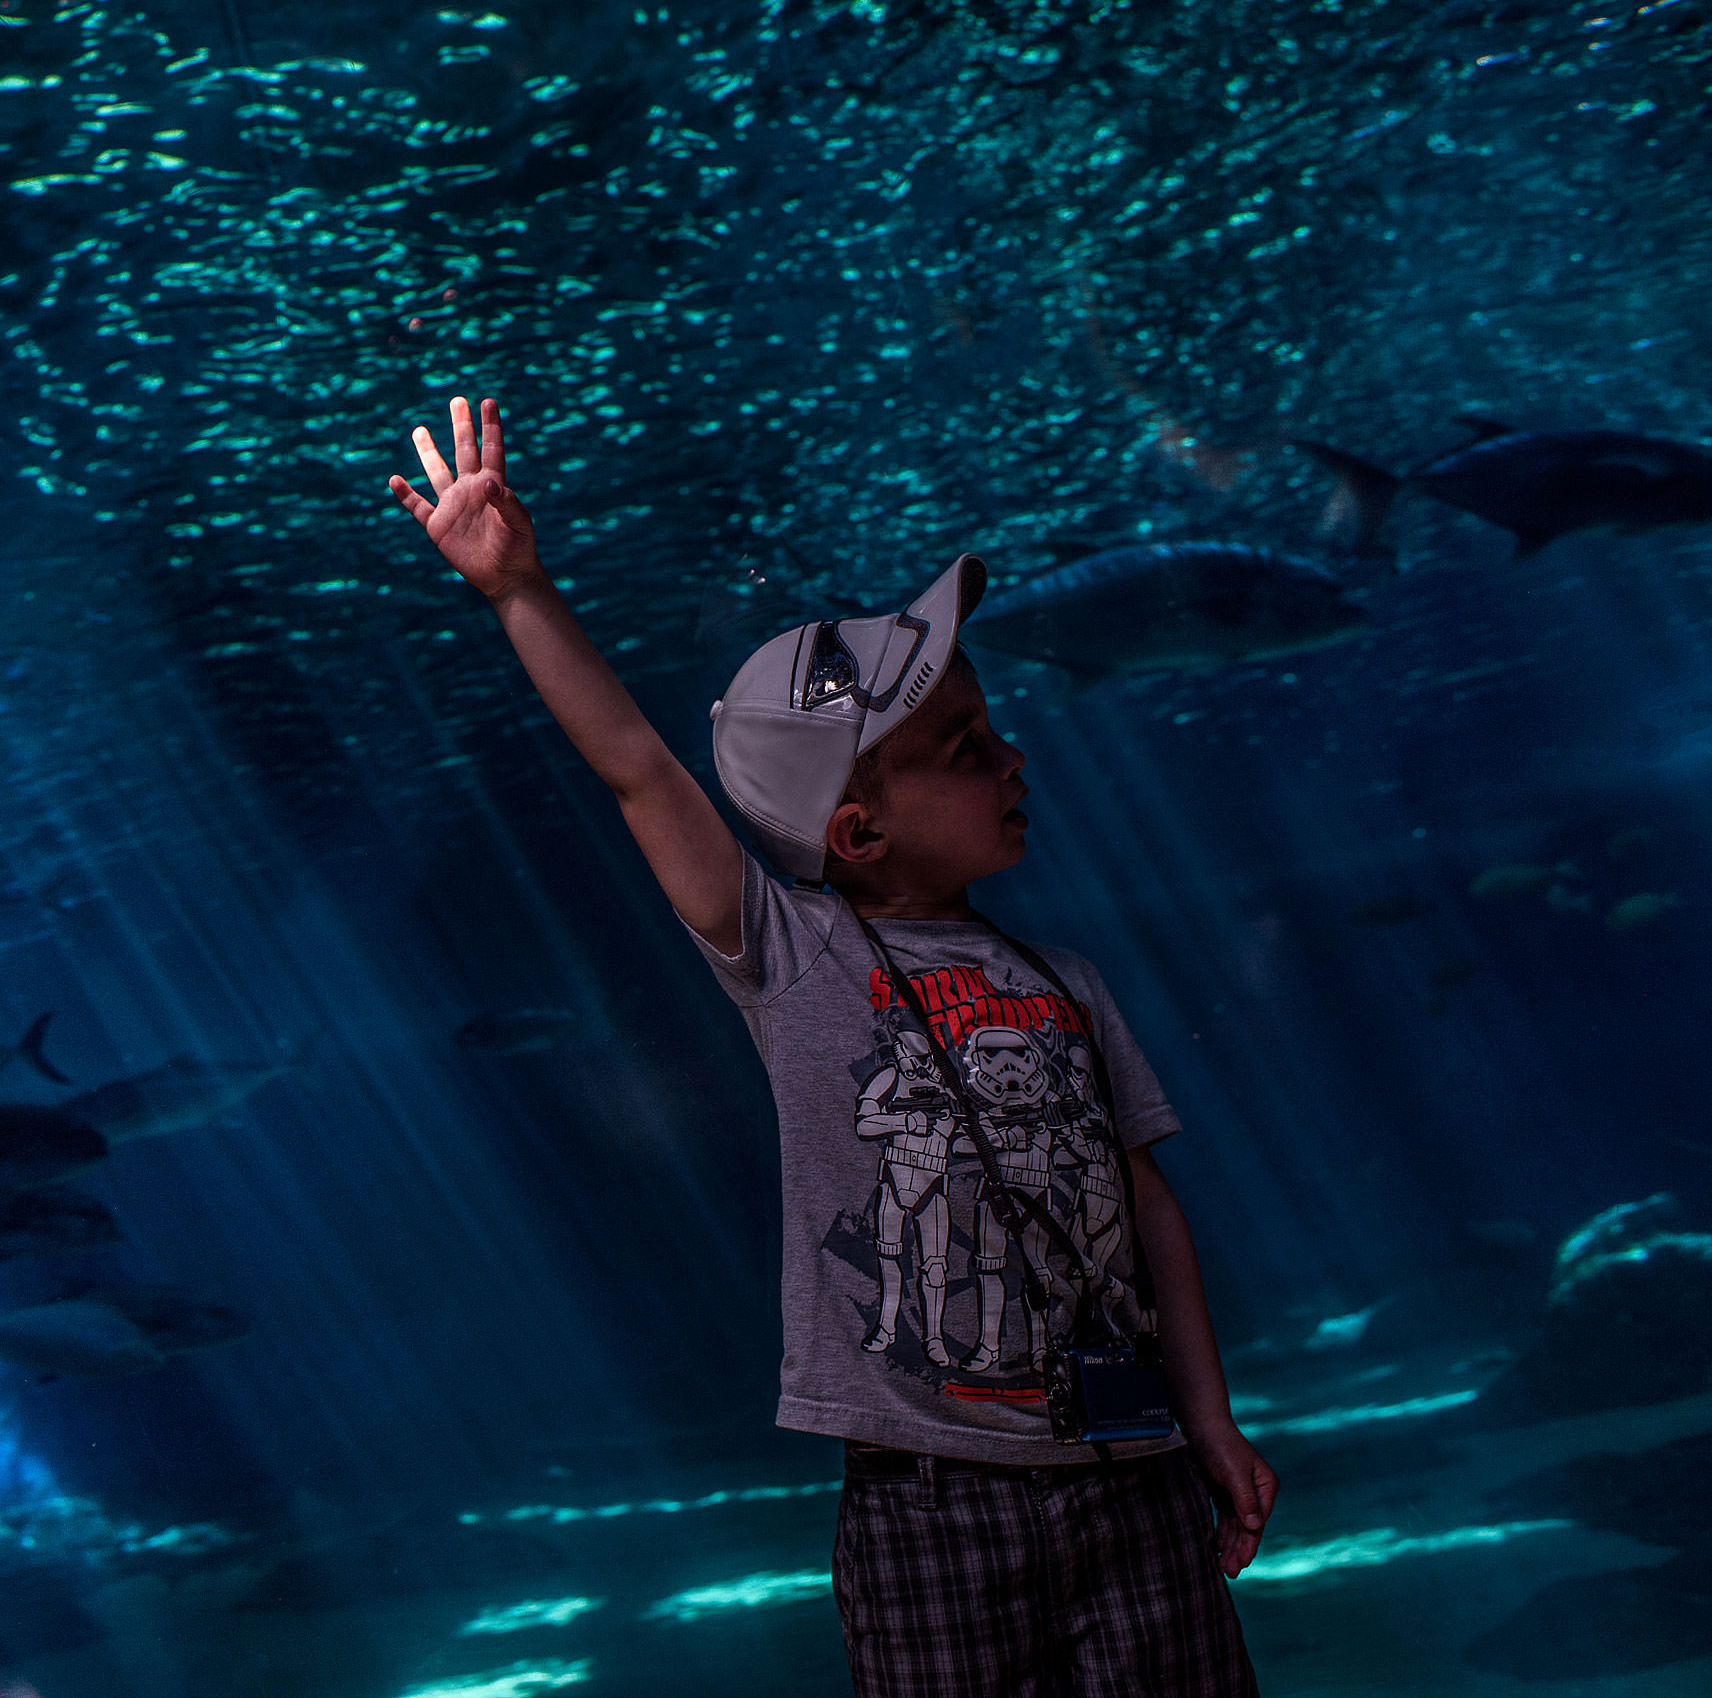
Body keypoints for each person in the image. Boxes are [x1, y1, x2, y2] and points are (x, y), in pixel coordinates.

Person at [388, 397, 1273, 1695]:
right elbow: (640, 770)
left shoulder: (1064, 981)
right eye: (963, 750)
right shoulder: (797, 959)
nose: (1011, 756)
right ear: (856, 831)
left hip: (1132, 1472)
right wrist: (518, 587)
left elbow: (1149, 1203)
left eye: (993, 730)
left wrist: (1208, 1411)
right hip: (933, 1504)